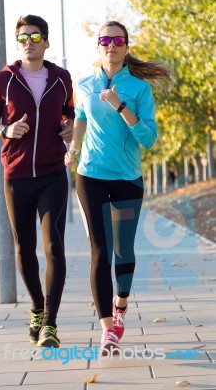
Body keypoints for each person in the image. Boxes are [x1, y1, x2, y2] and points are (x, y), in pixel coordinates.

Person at [65, 20, 171, 356]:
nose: (111, 44)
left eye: (118, 40)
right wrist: (74, 148)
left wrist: (120, 106)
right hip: (91, 175)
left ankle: (121, 303)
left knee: (123, 249)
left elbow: (149, 138)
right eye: (105, 40)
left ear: (126, 48)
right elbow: (81, 116)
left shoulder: (139, 90)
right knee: (100, 251)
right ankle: (108, 329)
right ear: (98, 46)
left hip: (126, 178)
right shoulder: (83, 84)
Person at [0, 14, 74, 348]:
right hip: (16, 176)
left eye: (35, 37)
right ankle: (36, 305)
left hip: (52, 174)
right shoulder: (1, 80)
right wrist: (4, 130)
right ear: (17, 43)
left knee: (54, 247)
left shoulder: (61, 78)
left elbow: (70, 113)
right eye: (23, 37)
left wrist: (69, 126)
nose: (28, 42)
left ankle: (49, 323)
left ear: (46, 42)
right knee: (24, 249)